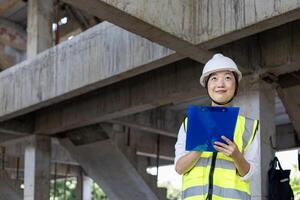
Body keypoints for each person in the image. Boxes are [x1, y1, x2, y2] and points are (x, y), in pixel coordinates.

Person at [174, 53, 260, 200]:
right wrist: (198, 149)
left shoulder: (248, 126)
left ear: (236, 85)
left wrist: (236, 155)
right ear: (207, 85)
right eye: (214, 78)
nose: (220, 84)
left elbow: (249, 174)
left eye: (227, 78)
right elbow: (179, 168)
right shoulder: (190, 122)